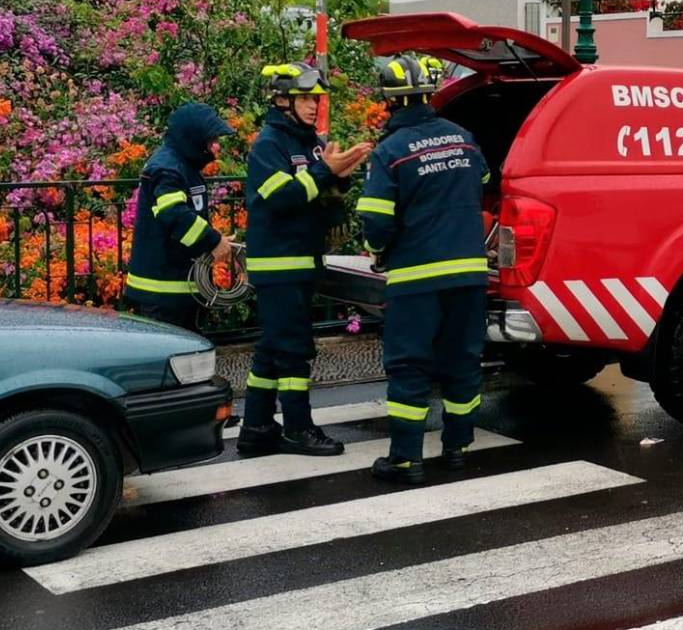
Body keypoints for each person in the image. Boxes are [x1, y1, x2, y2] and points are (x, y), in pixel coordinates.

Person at [360, 55, 490, 485]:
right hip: (469, 275)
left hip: (416, 279)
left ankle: (405, 457)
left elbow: (376, 222)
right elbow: (488, 185)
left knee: (410, 366)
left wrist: (375, 249)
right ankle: (457, 447)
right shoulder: (464, 140)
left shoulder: (390, 152)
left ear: (389, 103)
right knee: (462, 361)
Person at [235, 62, 372, 458]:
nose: (314, 105)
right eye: (307, 98)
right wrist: (322, 170)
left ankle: (256, 428)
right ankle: (298, 429)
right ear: (282, 101)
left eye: (316, 98)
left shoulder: (308, 141)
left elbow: (317, 192)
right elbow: (282, 198)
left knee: (272, 347)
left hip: (299, 261)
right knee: (294, 349)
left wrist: (339, 174)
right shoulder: (269, 145)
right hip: (278, 265)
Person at [124, 103, 235, 331]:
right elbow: (173, 214)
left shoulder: (183, 165)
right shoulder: (166, 168)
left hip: (177, 289)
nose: (215, 147)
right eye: (211, 140)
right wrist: (212, 241)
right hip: (162, 292)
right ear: (192, 138)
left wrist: (212, 240)